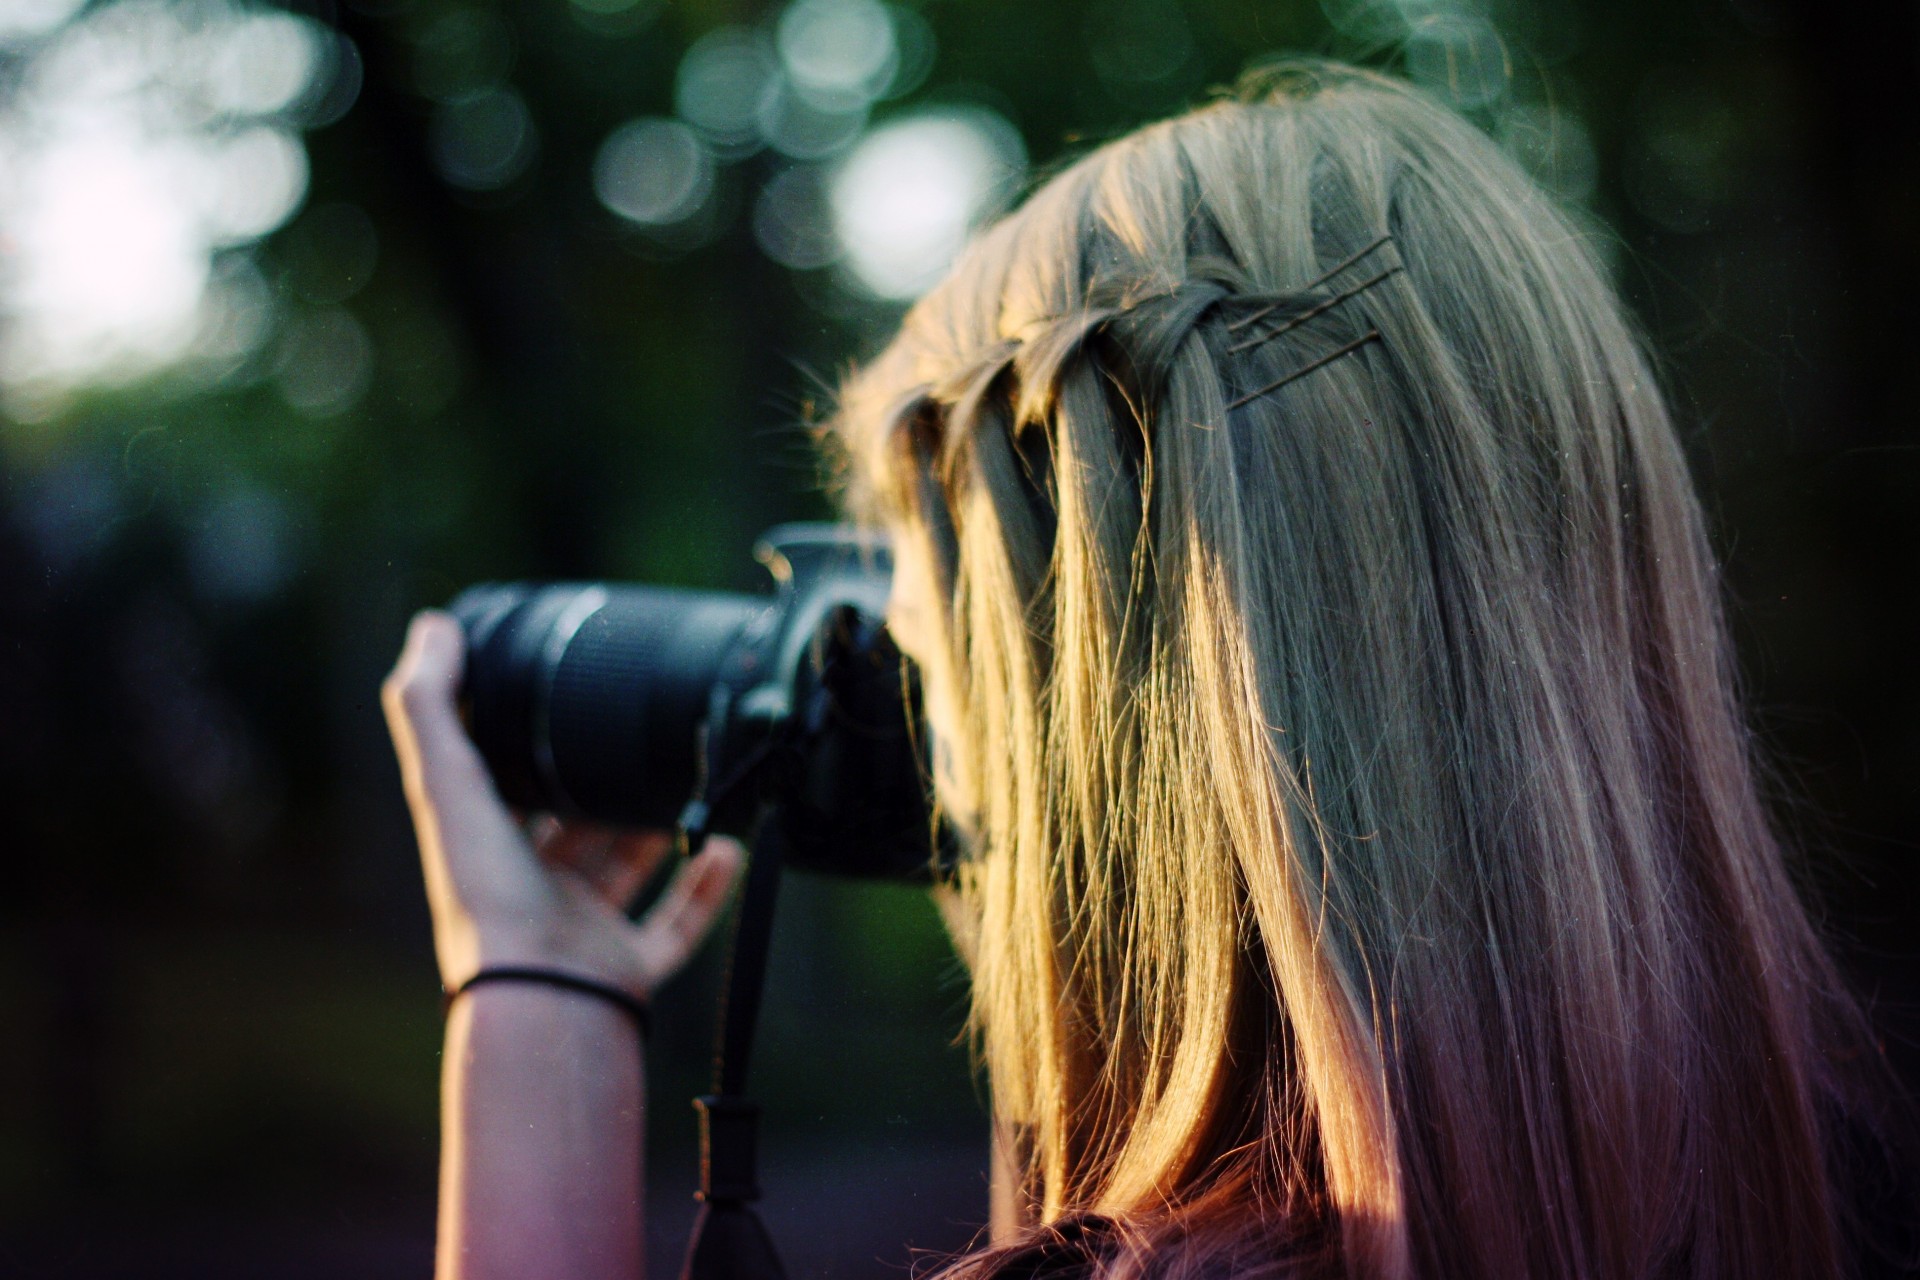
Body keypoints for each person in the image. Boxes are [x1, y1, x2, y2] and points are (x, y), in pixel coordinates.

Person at [383, 59, 1917, 1280]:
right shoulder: (1843, 1190)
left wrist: (541, 1013)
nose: (932, 771)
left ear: (1086, 727)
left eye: (938, 668)